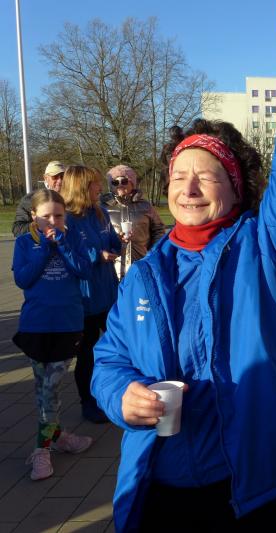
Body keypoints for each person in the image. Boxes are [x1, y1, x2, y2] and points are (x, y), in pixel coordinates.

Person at [90, 3, 276, 530]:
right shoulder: (145, 275)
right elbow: (109, 361)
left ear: (236, 188)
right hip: (163, 485)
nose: (189, 187)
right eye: (178, 176)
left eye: (206, 176)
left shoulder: (264, 248)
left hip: (253, 488)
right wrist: (122, 397)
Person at [12, 189, 95, 481]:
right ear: (34, 216)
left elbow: (84, 270)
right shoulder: (24, 242)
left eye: (58, 216)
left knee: (50, 389)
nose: (52, 222)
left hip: (67, 325)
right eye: (46, 216)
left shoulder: (72, 239)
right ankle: (59, 438)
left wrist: (63, 245)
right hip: (35, 326)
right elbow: (23, 279)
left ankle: (41, 450)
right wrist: (45, 250)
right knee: (42, 389)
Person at [62, 165, 121, 424]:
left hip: (108, 291)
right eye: (95, 183)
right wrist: (97, 255)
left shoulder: (101, 212)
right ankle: (88, 402)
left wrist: (119, 242)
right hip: (84, 298)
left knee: (120, 343)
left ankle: (118, 391)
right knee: (86, 352)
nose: (100, 187)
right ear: (81, 187)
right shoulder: (66, 219)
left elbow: (111, 242)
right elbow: (68, 254)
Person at [101, 165, 166, 278]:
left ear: (132, 183)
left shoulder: (146, 206)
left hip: (141, 264)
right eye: (115, 182)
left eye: (124, 181)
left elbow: (159, 229)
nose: (120, 185)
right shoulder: (102, 207)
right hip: (112, 267)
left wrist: (152, 253)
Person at [12, 161, 67, 237]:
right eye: (55, 177)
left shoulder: (74, 199)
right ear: (46, 178)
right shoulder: (30, 199)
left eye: (63, 177)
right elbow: (17, 229)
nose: (60, 180)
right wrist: (40, 226)